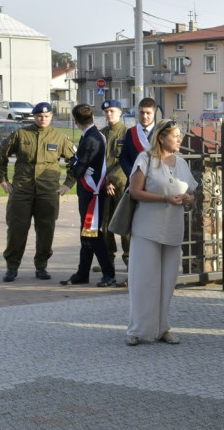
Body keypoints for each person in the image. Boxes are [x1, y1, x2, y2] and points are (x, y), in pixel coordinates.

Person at [125, 119, 198, 346]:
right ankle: (136, 331)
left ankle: (162, 328)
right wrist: (165, 198)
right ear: (161, 137)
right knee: (145, 281)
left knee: (167, 282)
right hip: (147, 228)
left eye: (180, 135)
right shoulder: (145, 159)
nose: (180, 139)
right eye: (175, 135)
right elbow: (135, 192)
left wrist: (188, 198)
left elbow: (192, 193)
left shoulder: (182, 162)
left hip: (173, 229)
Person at [0, 102, 75, 282]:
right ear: (34, 116)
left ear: (51, 116)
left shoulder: (60, 137)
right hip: (22, 190)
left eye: (46, 116)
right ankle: (12, 267)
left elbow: (74, 162)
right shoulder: (21, 135)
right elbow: (0, 155)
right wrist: (3, 180)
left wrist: (68, 184)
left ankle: (41, 266)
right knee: (16, 229)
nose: (42, 119)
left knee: (46, 230)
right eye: (39, 116)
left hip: (48, 192)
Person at [60, 104, 118, 287]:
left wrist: (74, 162)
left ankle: (109, 273)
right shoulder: (93, 134)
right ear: (92, 117)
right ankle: (82, 273)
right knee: (86, 233)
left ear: (75, 121)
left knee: (92, 233)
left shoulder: (92, 138)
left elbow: (78, 169)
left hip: (92, 193)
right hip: (88, 191)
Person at [98, 99, 129, 276]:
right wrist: (105, 181)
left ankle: (129, 260)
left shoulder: (128, 134)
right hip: (104, 186)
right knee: (105, 226)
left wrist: (112, 179)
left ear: (120, 112)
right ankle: (107, 261)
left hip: (122, 186)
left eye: (112, 111)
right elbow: (98, 161)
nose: (109, 114)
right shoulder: (101, 134)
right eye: (107, 111)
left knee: (124, 226)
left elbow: (128, 160)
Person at [119, 97, 157, 177]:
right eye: (142, 112)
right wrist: (132, 174)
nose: (144, 116)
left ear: (154, 113)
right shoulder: (131, 132)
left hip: (155, 180)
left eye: (148, 113)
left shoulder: (160, 132)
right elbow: (124, 157)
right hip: (134, 179)